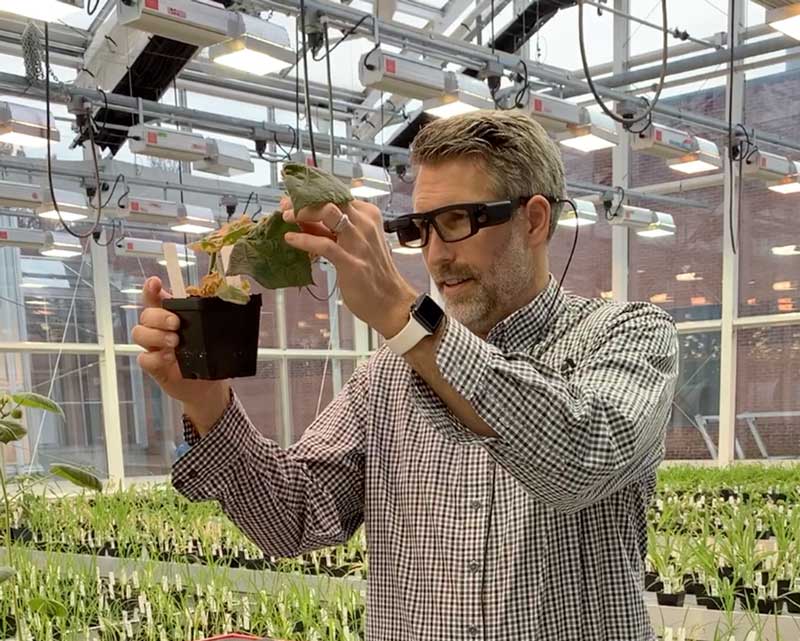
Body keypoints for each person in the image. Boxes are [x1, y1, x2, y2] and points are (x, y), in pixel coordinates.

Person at [133, 110, 678, 641]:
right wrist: (208, 403)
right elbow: (293, 515)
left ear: (533, 219)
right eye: (422, 228)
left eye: (457, 221)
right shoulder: (387, 376)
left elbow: (584, 456)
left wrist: (403, 314)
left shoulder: (627, 335)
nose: (437, 255)